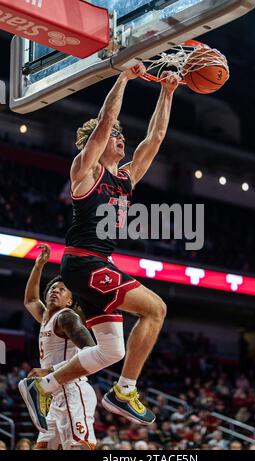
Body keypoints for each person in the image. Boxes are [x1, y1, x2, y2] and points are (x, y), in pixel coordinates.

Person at [19, 64, 179, 428]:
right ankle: (125, 390)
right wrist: (123, 77)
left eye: (123, 137)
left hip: (96, 265)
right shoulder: (86, 171)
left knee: (112, 349)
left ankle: (43, 385)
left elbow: (154, 138)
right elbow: (106, 121)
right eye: (116, 137)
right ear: (100, 142)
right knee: (155, 310)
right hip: (84, 263)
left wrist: (167, 92)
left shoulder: (126, 178)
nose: (121, 140)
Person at [19, 244, 97, 450]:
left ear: (69, 301)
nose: (55, 291)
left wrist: (49, 370)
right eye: (53, 289)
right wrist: (39, 265)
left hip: (73, 390)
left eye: (62, 290)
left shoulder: (66, 317)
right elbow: (30, 299)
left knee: (79, 447)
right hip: (53, 394)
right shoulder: (46, 317)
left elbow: (90, 350)